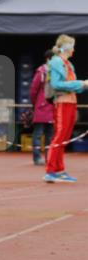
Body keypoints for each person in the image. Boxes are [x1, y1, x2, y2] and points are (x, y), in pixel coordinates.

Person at [44, 34, 88, 184]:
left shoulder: (68, 64)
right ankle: (50, 171)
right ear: (67, 47)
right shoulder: (56, 61)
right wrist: (81, 83)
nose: (74, 49)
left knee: (64, 137)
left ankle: (59, 170)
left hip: (70, 102)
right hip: (62, 103)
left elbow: (73, 86)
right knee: (59, 136)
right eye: (72, 46)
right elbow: (56, 84)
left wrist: (83, 85)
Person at [29, 49, 54, 166]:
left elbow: (33, 90)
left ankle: (45, 158)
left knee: (45, 134)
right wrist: (35, 103)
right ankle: (39, 158)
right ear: (48, 59)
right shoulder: (42, 71)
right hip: (45, 106)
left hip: (45, 106)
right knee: (42, 134)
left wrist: (35, 104)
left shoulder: (44, 71)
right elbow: (33, 89)